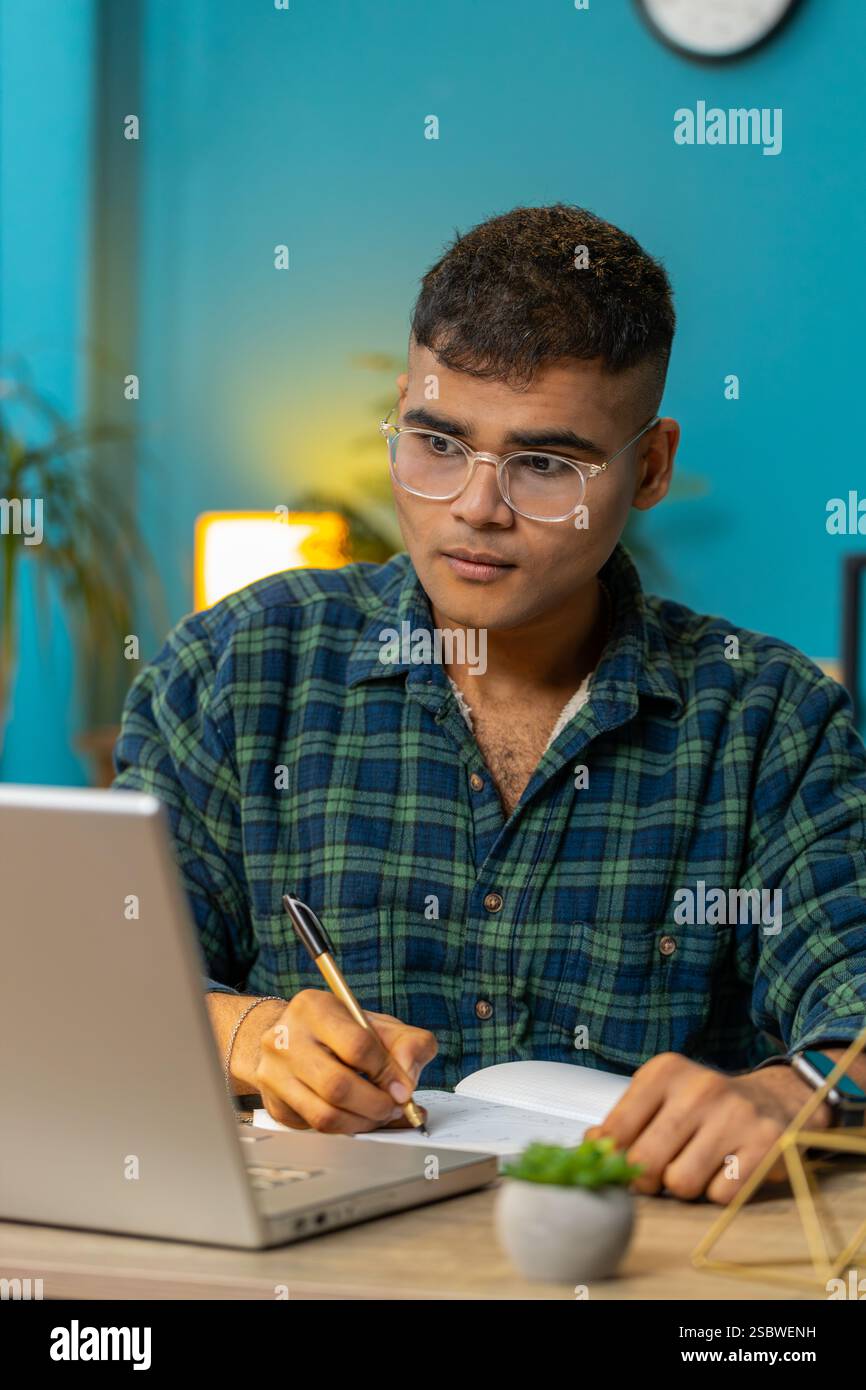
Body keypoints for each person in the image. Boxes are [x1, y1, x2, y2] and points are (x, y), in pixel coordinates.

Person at [113, 203, 866, 1204]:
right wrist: (251, 1035)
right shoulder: (238, 671)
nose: (474, 507)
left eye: (544, 465)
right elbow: (92, 977)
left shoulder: (768, 721)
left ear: (647, 466)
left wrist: (795, 1093)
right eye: (436, 443)